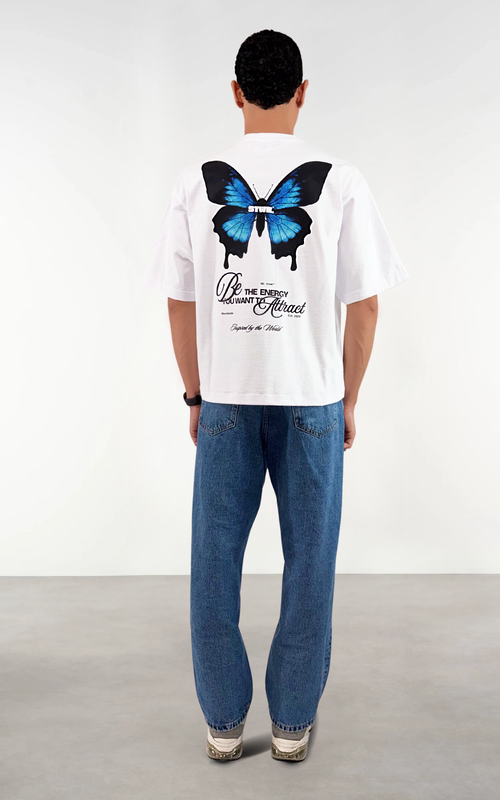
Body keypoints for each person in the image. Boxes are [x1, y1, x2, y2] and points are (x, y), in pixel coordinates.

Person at [142, 29, 409, 762]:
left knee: (213, 562)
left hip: (226, 400)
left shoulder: (195, 182)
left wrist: (195, 395)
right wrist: (348, 399)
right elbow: (365, 306)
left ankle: (223, 725)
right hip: (312, 399)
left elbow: (179, 303)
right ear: (302, 92)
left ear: (235, 93)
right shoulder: (340, 181)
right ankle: (291, 724)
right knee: (310, 562)